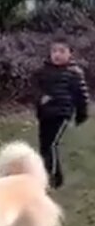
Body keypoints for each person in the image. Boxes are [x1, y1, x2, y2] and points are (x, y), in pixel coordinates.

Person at [33, 38, 89, 189]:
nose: (57, 55)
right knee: (44, 146)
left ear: (70, 54)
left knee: (51, 145)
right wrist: (40, 98)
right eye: (54, 51)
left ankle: (51, 178)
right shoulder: (43, 71)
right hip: (45, 114)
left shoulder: (74, 73)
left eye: (62, 51)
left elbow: (82, 96)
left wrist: (81, 115)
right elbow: (34, 89)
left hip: (62, 114)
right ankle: (54, 176)